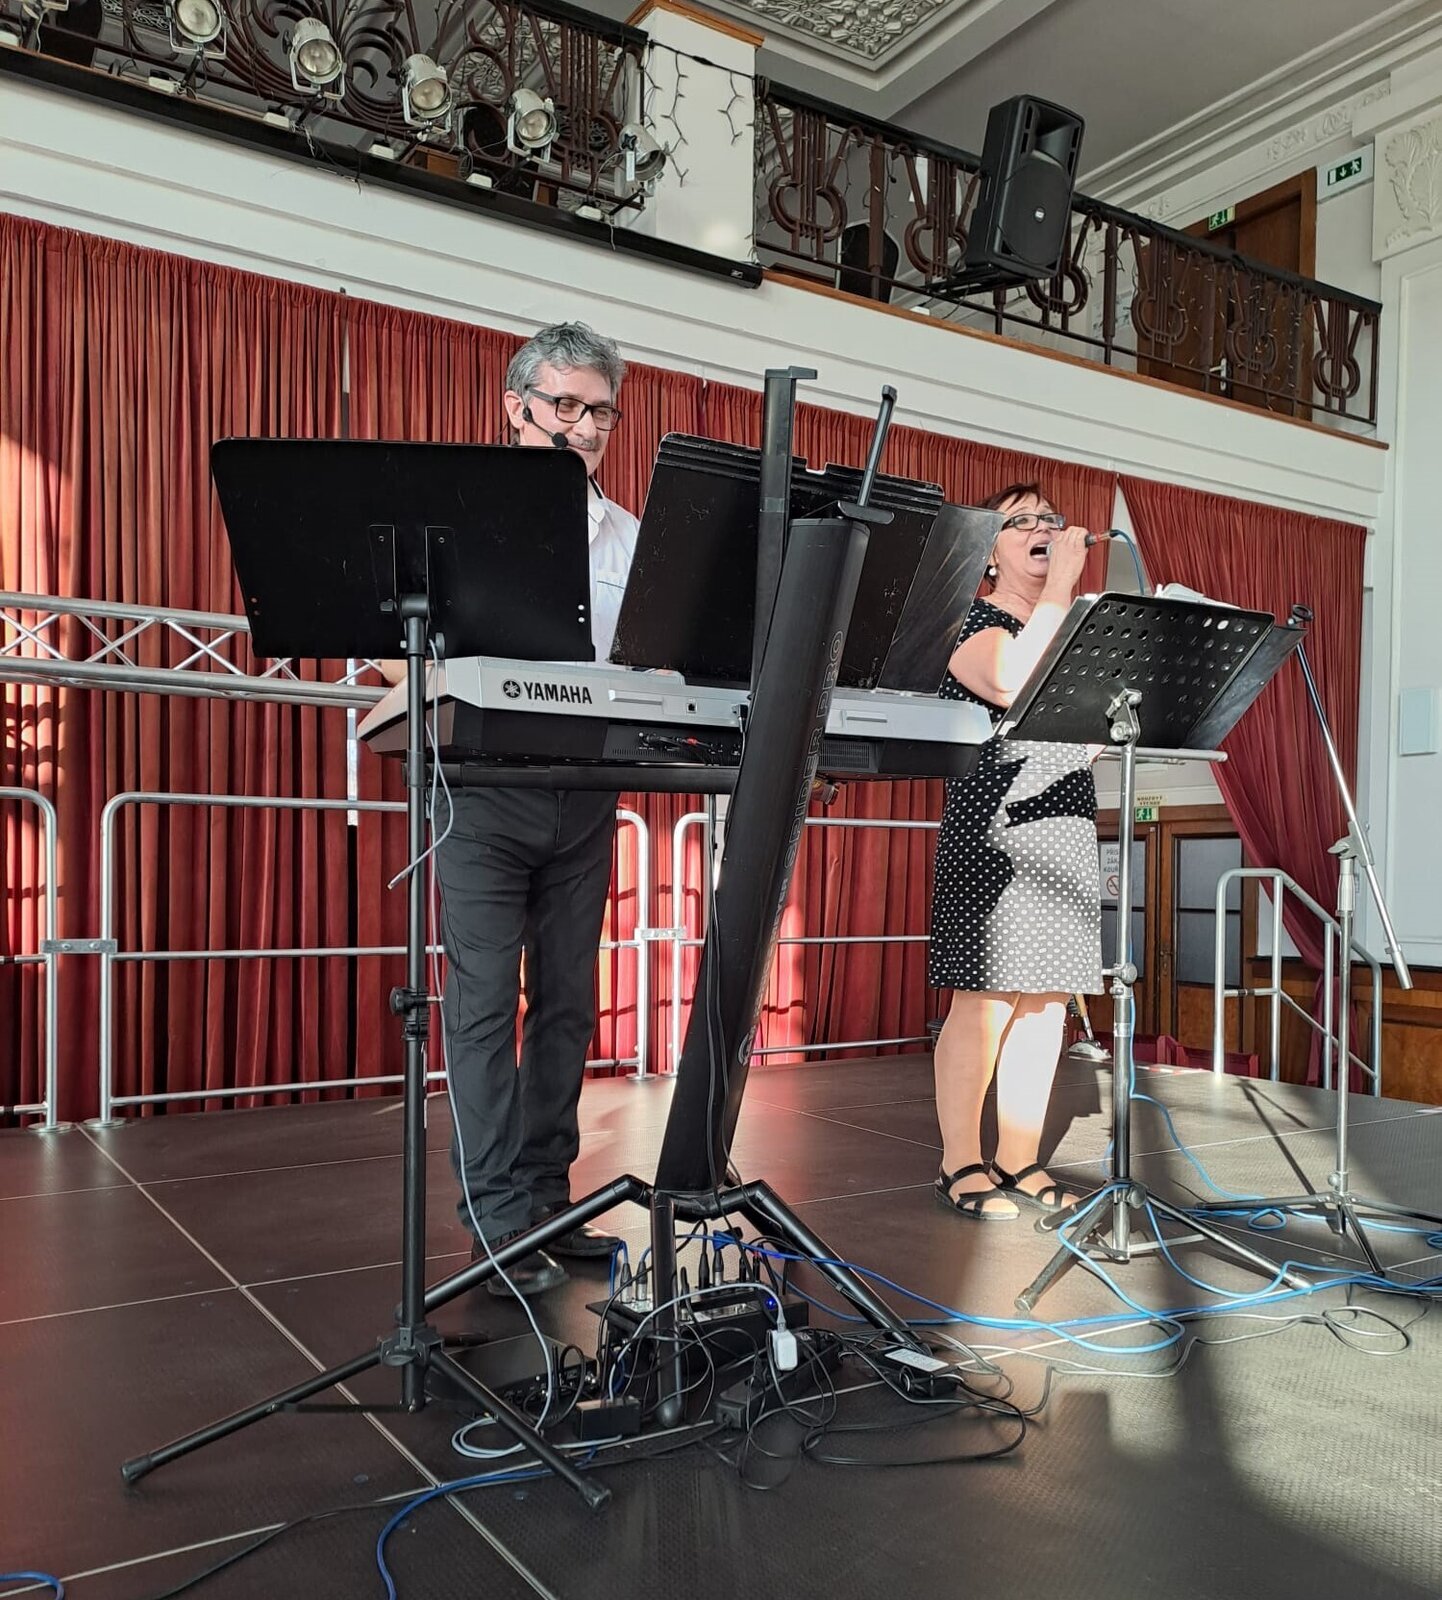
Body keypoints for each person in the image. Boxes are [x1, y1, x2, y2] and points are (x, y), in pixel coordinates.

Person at [435, 322, 639, 1293]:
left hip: (586, 793)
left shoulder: (629, 536)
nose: (584, 426)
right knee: (481, 1006)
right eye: (565, 405)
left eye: (600, 411)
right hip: (480, 793)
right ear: (516, 407)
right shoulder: (458, 518)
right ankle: (494, 1222)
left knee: (567, 1004)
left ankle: (547, 1204)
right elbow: (407, 650)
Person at [927, 483, 1104, 1219]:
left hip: (1063, 821)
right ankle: (960, 1162)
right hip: (994, 827)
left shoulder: (1072, 629)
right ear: (989, 552)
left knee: (1045, 1003)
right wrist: (1061, 586)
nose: (1042, 529)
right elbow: (1009, 681)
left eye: (1048, 519)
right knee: (987, 1000)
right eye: (1020, 521)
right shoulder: (971, 620)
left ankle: (1019, 1159)